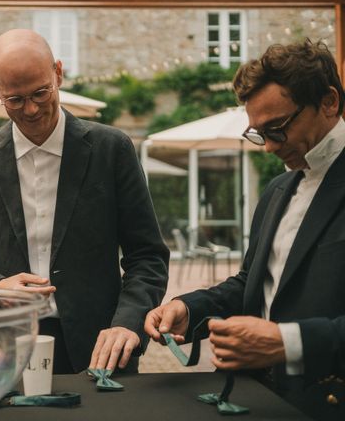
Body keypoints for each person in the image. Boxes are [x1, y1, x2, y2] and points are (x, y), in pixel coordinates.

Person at [0, 29, 169, 374]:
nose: (30, 109)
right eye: (14, 99)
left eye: (40, 92)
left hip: (99, 345)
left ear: (58, 72)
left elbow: (147, 255)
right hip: (1, 348)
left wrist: (127, 323)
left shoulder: (112, 149)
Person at [144, 39, 345, 421]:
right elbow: (252, 283)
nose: (268, 147)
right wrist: (188, 309)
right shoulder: (277, 190)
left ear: (329, 102)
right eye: (258, 133)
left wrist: (288, 343)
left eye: (279, 128)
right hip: (250, 397)